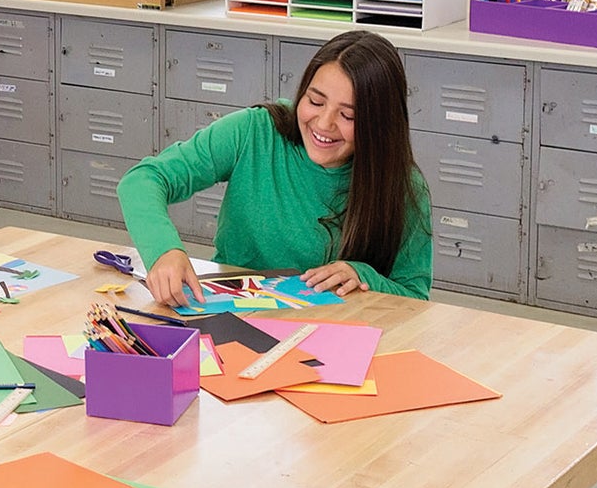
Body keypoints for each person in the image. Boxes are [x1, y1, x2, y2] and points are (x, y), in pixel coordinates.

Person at [117, 29, 432, 304]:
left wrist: (363, 276)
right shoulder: (254, 131)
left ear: (380, 125)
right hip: (234, 314)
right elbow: (143, 180)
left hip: (336, 333)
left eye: (348, 115)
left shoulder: (402, 185)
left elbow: (415, 300)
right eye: (315, 101)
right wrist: (164, 251)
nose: (324, 123)